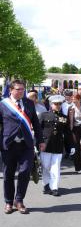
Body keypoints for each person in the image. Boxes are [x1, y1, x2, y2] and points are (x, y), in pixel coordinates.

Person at [0, 79, 45, 214]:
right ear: (11, 90)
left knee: (25, 172)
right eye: (18, 89)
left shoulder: (29, 103)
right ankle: (8, 201)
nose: (21, 92)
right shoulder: (3, 105)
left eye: (22, 89)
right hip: (8, 144)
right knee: (8, 174)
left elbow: (36, 124)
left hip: (26, 145)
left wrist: (40, 140)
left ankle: (19, 200)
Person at [39, 95, 75, 196]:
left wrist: (71, 146)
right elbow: (38, 131)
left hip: (58, 145)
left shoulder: (64, 117)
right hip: (46, 145)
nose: (58, 106)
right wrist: (36, 144)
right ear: (51, 104)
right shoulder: (44, 115)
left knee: (56, 167)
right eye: (56, 104)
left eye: (60, 104)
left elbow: (67, 133)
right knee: (46, 167)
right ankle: (46, 185)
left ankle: (54, 187)